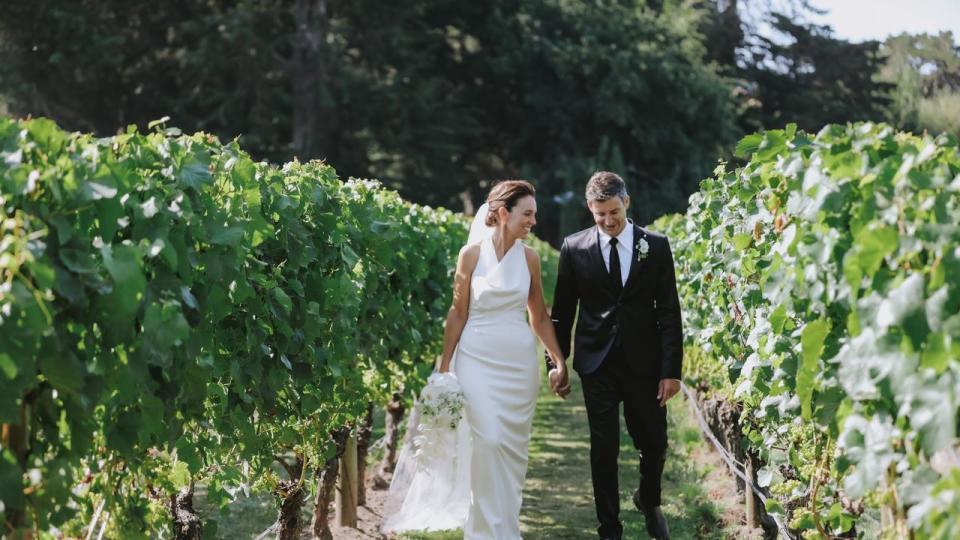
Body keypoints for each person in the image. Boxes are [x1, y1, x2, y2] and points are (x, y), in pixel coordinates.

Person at [382, 180, 568, 539]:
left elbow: (539, 316)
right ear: (503, 213)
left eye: (535, 214)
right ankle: (482, 532)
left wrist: (557, 359)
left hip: (518, 366)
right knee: (489, 442)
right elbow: (457, 312)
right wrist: (445, 365)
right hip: (476, 360)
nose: (533, 221)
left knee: (512, 453)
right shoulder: (470, 256)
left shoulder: (530, 258)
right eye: (527, 214)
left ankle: (505, 529)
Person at [549, 171, 684, 540]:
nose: (608, 221)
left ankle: (650, 500)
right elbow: (562, 313)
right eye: (599, 214)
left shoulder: (655, 246)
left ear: (627, 202)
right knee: (603, 449)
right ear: (590, 209)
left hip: (646, 364)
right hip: (597, 364)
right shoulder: (574, 248)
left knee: (654, 442)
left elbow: (669, 311)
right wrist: (556, 363)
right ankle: (609, 527)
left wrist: (671, 370)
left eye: (613, 212)